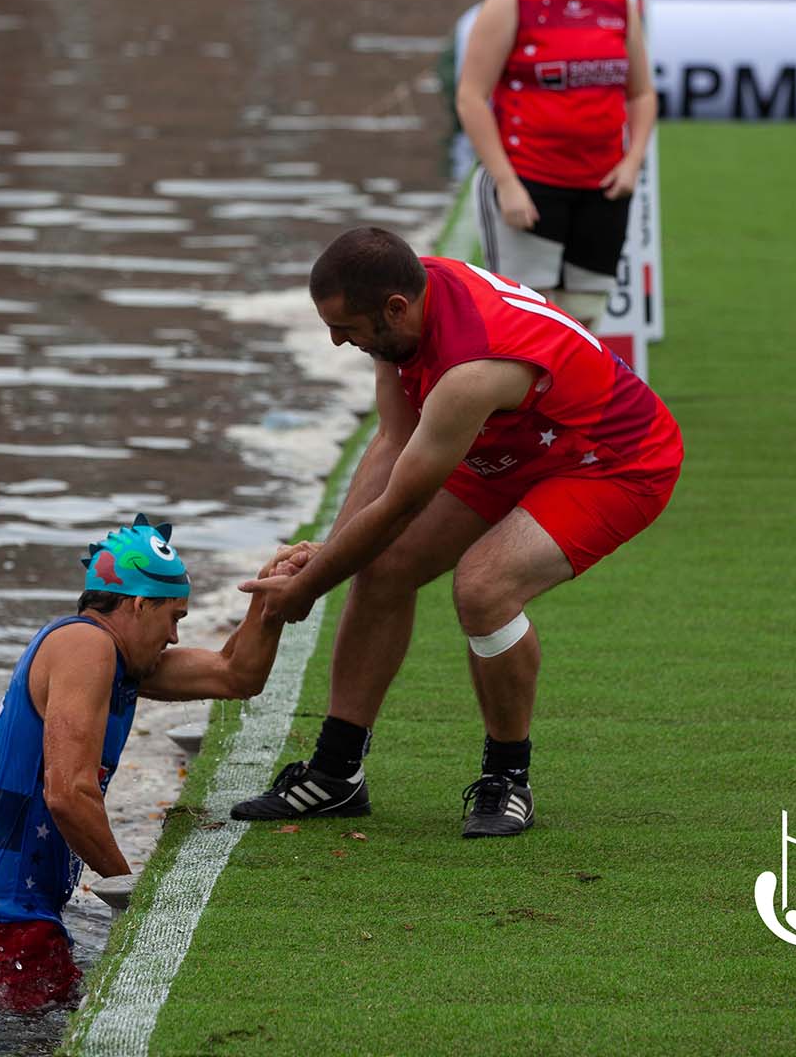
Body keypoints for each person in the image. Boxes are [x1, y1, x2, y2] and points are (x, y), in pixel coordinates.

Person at [230, 228, 681, 839]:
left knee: (484, 587)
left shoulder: (472, 369)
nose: (337, 341)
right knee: (383, 565)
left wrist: (307, 588)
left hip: (612, 461)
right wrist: (330, 551)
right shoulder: (401, 300)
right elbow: (393, 440)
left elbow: (401, 504)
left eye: (345, 328)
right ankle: (336, 773)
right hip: (513, 440)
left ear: (395, 308)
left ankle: (508, 778)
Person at [0, 515, 312, 1010]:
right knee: (42, 1037)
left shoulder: (111, 658)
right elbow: (68, 794)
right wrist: (133, 892)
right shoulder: (86, 647)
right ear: (139, 604)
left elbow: (235, 675)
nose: (174, 637)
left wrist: (267, 600)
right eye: (174, 617)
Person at [455, 0, 657, 333]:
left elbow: (642, 94)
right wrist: (507, 183)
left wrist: (632, 163)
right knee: (528, 324)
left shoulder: (617, 4)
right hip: (530, 184)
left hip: (602, 188)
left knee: (584, 321)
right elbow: (470, 96)